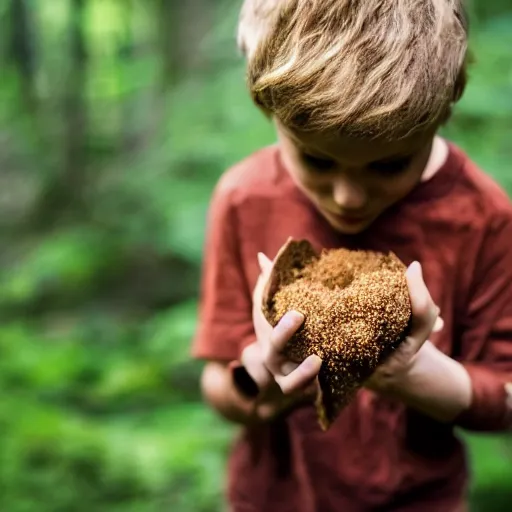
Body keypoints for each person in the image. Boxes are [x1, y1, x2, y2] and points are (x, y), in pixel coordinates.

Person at [191, 1, 512, 511]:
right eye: (317, 159)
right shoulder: (245, 199)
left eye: (389, 166)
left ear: (445, 106)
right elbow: (217, 385)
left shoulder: (481, 218)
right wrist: (264, 377)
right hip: (274, 497)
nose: (348, 197)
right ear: (268, 111)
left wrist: (424, 378)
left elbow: (505, 396)